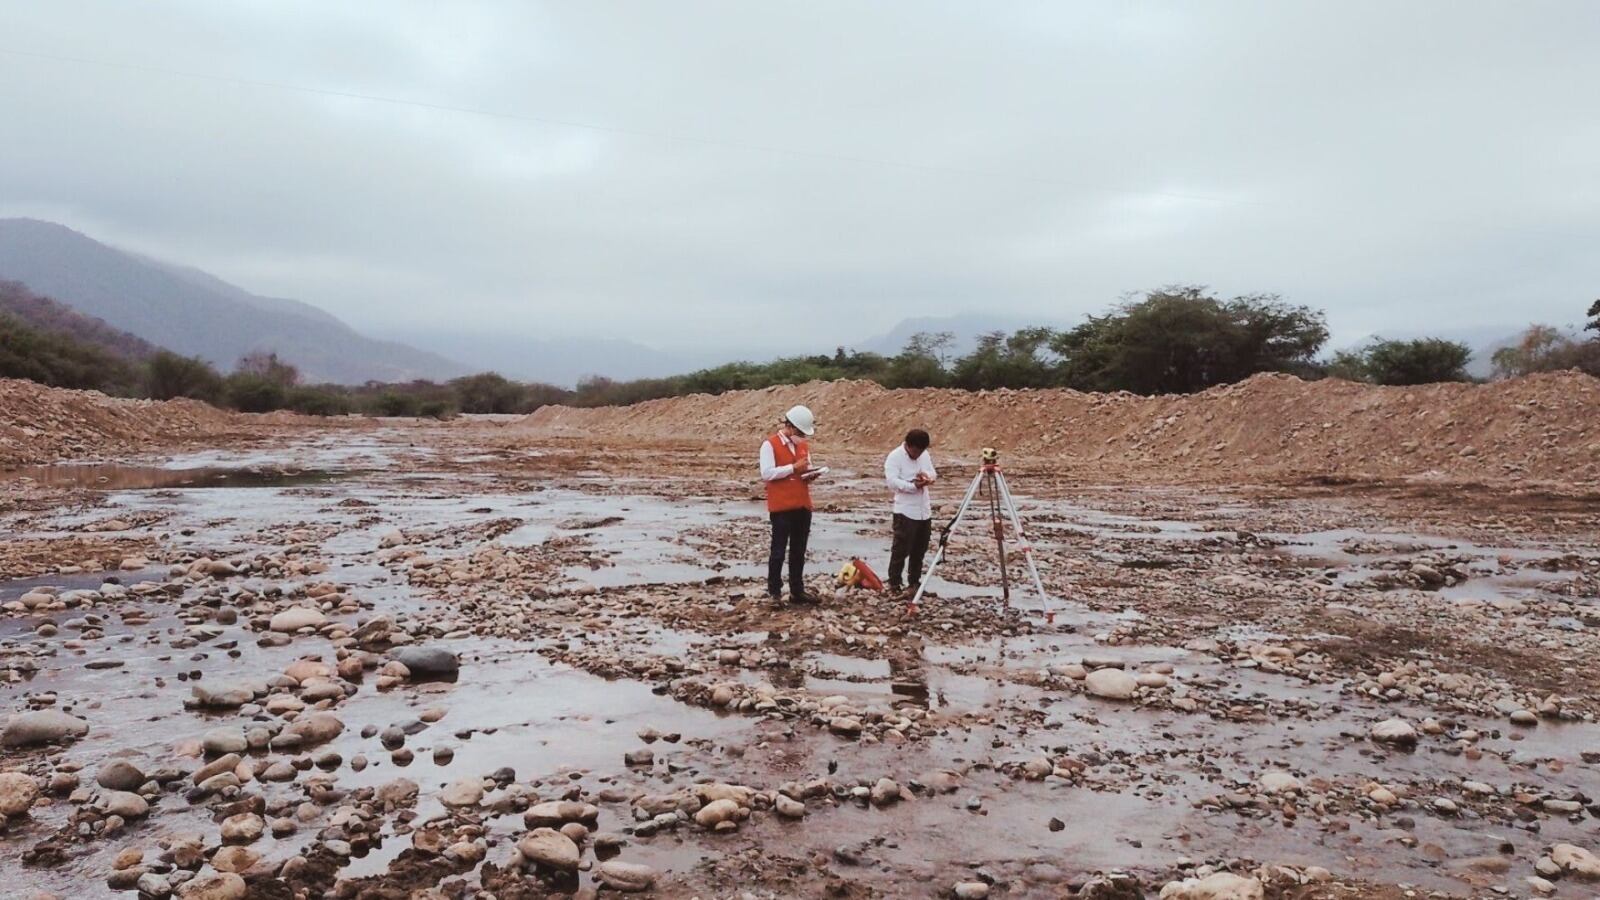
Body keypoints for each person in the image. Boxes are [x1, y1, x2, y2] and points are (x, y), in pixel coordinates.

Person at [759, 405, 821, 603]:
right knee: (778, 551)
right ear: (791, 427)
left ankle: (797, 590)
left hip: (802, 505)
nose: (803, 437)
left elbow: (804, 469)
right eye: (801, 432)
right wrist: (792, 468)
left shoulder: (803, 446)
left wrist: (810, 474)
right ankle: (774, 592)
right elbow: (767, 473)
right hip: (782, 507)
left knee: (798, 550)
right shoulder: (769, 445)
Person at [884, 428, 936, 594]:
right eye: (916, 451)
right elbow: (892, 483)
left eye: (922, 452)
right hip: (905, 511)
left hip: (923, 510)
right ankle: (894, 584)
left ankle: (914, 582)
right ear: (908, 445)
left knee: (919, 549)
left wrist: (927, 478)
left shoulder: (924, 455)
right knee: (900, 549)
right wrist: (912, 486)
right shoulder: (894, 457)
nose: (918, 455)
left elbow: (933, 472)